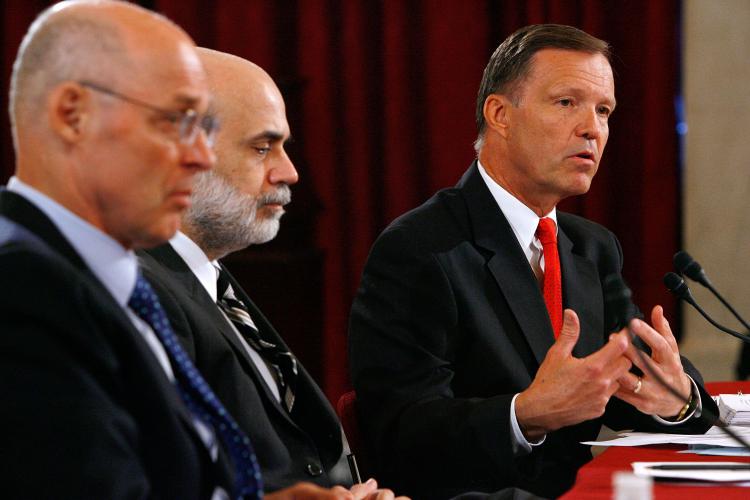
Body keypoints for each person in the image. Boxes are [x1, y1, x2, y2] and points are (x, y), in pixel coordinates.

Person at [0, 2, 368, 499]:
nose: (198, 157)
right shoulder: (26, 283)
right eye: (175, 124)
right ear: (73, 116)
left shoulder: (93, 273)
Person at [348, 24, 717, 499]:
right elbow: (402, 435)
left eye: (604, 111)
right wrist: (526, 413)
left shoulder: (592, 247)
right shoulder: (419, 249)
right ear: (499, 114)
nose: (593, 128)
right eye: (567, 103)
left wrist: (674, 398)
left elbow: (632, 388)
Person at [137, 48, 405, 500]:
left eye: (284, 147)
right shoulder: (134, 293)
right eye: (262, 148)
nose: (290, 172)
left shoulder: (209, 274)